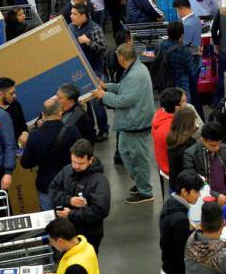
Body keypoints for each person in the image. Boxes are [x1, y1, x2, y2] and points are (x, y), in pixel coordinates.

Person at [93, 44, 157, 203]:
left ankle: (145, 191)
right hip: (131, 123)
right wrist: (107, 86)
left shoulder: (135, 74)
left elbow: (124, 100)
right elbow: (124, 88)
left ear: (121, 57)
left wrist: (104, 95)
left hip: (136, 123)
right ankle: (140, 183)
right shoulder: (135, 70)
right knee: (125, 152)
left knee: (138, 158)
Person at [48, 139, 111, 252]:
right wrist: (69, 200)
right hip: (66, 233)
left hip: (89, 236)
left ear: (90, 160)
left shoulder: (99, 181)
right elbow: (53, 189)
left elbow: (100, 211)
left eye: (81, 163)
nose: (76, 166)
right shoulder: (67, 171)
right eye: (73, 161)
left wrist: (71, 214)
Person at [21, 98, 81, 211]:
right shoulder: (72, 131)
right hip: (69, 185)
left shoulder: (34, 135)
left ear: (43, 114)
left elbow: (26, 163)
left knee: (50, 222)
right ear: (60, 112)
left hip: (46, 186)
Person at [184, 121, 226, 204]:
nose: (217, 148)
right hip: (206, 199)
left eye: (219, 144)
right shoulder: (190, 154)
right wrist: (216, 196)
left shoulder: (225, 148)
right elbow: (193, 182)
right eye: (212, 145)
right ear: (202, 140)